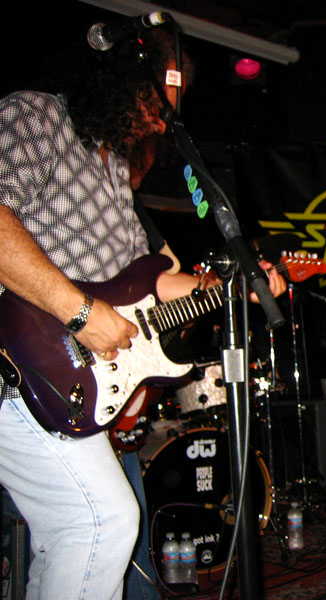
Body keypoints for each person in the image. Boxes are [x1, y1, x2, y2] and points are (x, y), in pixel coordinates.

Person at [0, 25, 285, 599]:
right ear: (117, 81)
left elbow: (150, 280)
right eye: (155, 105)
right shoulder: (33, 116)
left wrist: (236, 284)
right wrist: (81, 314)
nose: (160, 122)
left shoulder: (112, 169)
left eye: (169, 112)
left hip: (74, 379)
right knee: (99, 523)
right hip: (20, 361)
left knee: (104, 542)